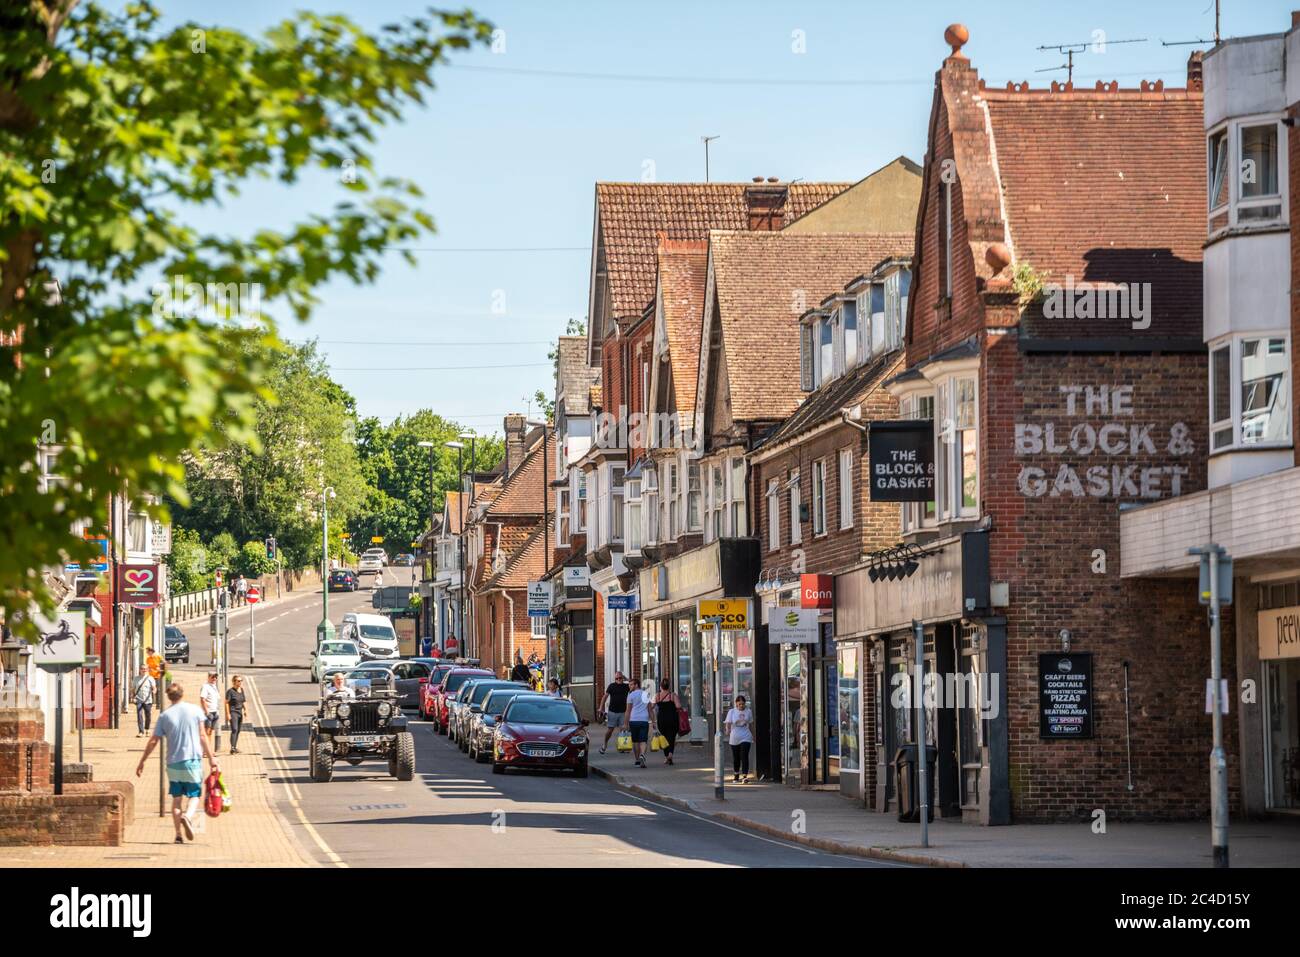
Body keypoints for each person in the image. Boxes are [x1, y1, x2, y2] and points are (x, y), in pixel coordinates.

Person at [135, 682, 219, 844]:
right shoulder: (195, 711)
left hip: (173, 763)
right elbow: (203, 736)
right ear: (182, 694)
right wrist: (211, 758)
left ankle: (178, 835)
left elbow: (153, 741)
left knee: (176, 799)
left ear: (168, 697)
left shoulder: (165, 716)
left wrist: (142, 761)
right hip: (192, 761)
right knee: (194, 795)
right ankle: (188, 816)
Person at [598, 672, 630, 755]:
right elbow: (605, 697)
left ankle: (622, 746)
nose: (618, 680)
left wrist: (627, 679)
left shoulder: (626, 686)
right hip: (612, 712)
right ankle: (604, 744)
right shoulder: (611, 686)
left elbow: (636, 685)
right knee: (610, 730)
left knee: (623, 730)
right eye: (617, 678)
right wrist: (601, 708)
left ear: (622, 678)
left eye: (620, 678)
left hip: (623, 712)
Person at [725, 694, 754, 783]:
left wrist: (753, 734)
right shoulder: (732, 712)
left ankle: (745, 775)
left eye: (743, 704)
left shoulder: (748, 711)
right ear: (736, 704)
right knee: (736, 757)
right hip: (735, 736)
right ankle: (736, 774)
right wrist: (728, 730)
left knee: (744, 755)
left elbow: (751, 723)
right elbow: (728, 723)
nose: (741, 706)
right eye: (739, 704)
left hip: (745, 735)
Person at [626, 680, 655, 769]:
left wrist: (625, 723)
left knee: (635, 741)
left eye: (631, 685)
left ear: (636, 685)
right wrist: (654, 721)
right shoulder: (645, 694)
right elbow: (650, 709)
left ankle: (637, 760)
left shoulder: (630, 695)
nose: (629, 686)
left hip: (633, 720)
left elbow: (628, 711)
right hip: (644, 720)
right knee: (643, 741)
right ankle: (642, 755)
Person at [653, 678, 681, 766]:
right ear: (669, 686)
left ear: (661, 686)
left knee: (663, 738)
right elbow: (678, 706)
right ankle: (670, 755)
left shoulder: (657, 696)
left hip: (662, 719)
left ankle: (666, 756)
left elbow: (651, 707)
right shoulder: (673, 695)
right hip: (673, 719)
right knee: (671, 738)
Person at [131, 665, 157, 737]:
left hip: (148, 700)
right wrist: (132, 697)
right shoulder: (136, 679)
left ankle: (147, 729)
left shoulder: (150, 678)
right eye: (142, 669)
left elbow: (154, 687)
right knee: (139, 715)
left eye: (145, 669)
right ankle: (141, 732)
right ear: (140, 670)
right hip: (138, 699)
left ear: (148, 670)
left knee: (148, 715)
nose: (144, 670)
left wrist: (154, 691)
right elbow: (133, 689)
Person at [225, 675, 247, 754]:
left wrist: (245, 710)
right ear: (234, 682)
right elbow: (226, 703)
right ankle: (232, 748)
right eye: (238, 681)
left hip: (239, 712)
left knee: (238, 730)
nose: (240, 682)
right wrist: (228, 714)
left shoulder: (242, 690)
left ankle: (234, 746)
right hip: (233, 712)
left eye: (241, 680)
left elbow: (243, 701)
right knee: (234, 729)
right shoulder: (230, 691)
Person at [199, 673, 221, 741]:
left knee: (210, 732)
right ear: (208, 677)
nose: (214, 679)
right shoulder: (205, 686)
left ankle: (209, 750)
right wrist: (207, 712)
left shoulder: (214, 686)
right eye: (213, 677)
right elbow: (202, 699)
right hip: (209, 713)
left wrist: (217, 711)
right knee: (206, 732)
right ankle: (204, 750)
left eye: (216, 677)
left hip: (215, 712)